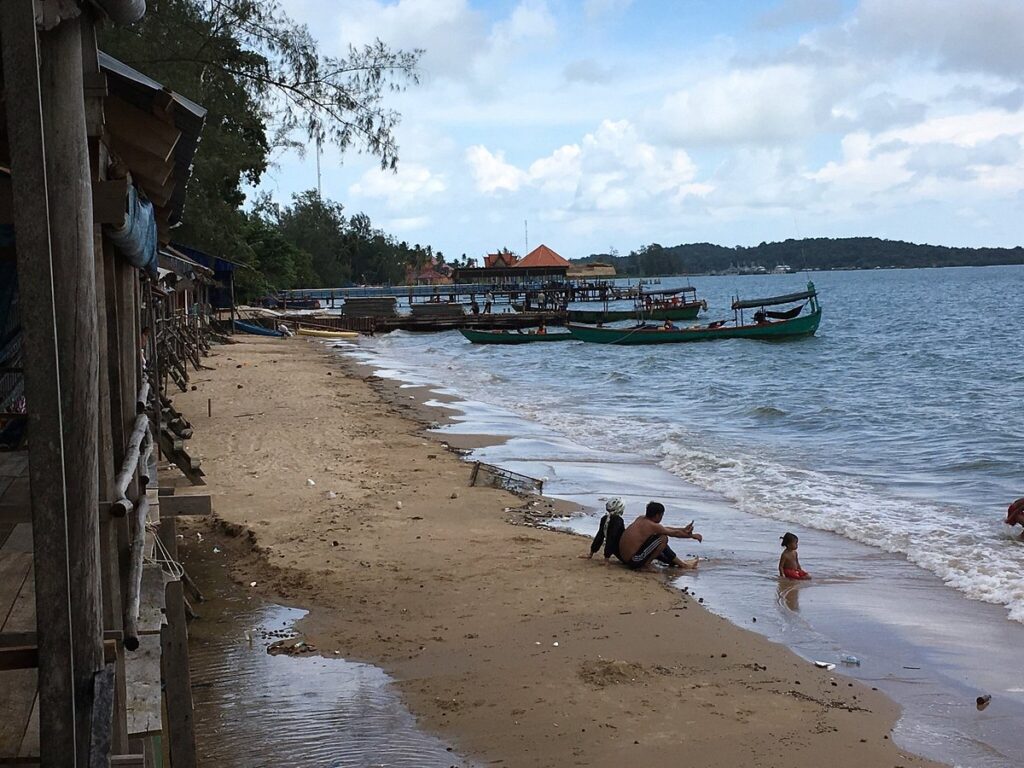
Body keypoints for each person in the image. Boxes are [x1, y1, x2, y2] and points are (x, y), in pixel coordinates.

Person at [618, 501, 702, 570]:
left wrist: (683, 529)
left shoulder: (641, 518)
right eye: (662, 515)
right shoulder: (653, 526)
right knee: (663, 538)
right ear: (657, 515)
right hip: (633, 561)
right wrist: (692, 536)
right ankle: (646, 565)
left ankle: (682, 563)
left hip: (625, 558)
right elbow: (673, 533)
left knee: (660, 537)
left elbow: (665, 529)